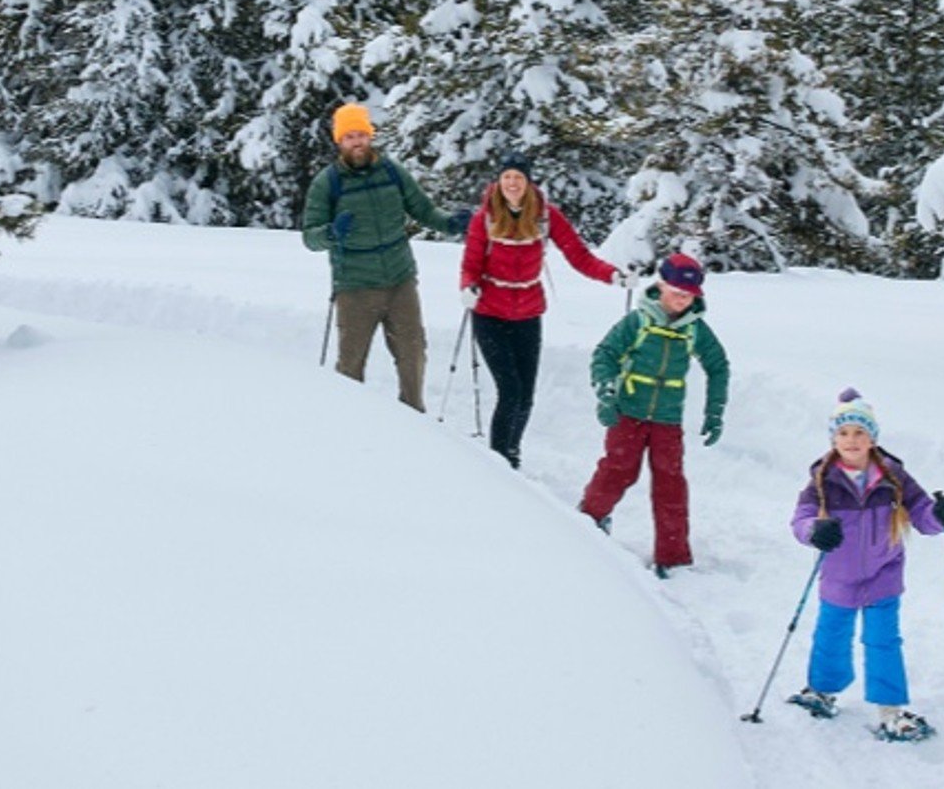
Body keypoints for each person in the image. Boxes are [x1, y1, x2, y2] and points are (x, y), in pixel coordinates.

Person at [787, 387, 944, 744]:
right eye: (843, 433)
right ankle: (821, 691)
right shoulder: (823, 480)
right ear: (833, 438)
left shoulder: (893, 477)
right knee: (831, 637)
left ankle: (890, 710)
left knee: (883, 641)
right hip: (839, 575)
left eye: (859, 432)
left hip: (884, 574)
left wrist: (940, 516)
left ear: (872, 438)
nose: (851, 440)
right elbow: (801, 519)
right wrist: (814, 531)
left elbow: (922, 514)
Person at [460, 153, 625, 468]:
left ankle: (512, 454)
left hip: (528, 314)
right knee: (510, 391)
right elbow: (470, 264)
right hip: (489, 313)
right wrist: (469, 287)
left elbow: (579, 255)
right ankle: (499, 462)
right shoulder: (485, 218)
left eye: (518, 178)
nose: (512, 183)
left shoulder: (546, 216)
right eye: (507, 177)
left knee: (526, 395)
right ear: (498, 182)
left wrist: (612, 275)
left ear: (528, 182)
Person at [301, 101, 467, 412]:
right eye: (349, 136)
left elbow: (423, 209)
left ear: (370, 136)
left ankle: (414, 414)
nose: (357, 142)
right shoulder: (328, 183)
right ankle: (351, 419)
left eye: (361, 134)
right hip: (355, 286)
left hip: (399, 279)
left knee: (413, 353)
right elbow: (310, 236)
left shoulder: (391, 171)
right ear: (339, 141)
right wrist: (331, 233)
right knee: (351, 363)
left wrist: (450, 223)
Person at [577, 251, 728, 576]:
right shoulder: (638, 321)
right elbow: (605, 354)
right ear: (661, 286)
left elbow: (718, 366)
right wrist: (606, 393)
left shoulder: (695, 329)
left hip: (667, 420)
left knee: (670, 484)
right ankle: (588, 521)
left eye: (688, 296)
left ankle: (672, 558)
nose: (681, 301)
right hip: (627, 412)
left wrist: (714, 411)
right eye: (676, 293)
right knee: (618, 470)